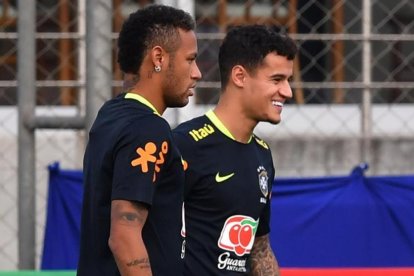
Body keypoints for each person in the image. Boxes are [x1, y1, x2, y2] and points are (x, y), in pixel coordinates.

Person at [77, 4, 201, 276]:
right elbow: (124, 237)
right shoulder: (148, 128)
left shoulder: (111, 115)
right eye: (190, 60)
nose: (197, 73)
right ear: (159, 57)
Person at [173, 25, 297, 275]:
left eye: (288, 80)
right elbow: (136, 233)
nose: (287, 92)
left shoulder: (262, 155)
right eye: (277, 80)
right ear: (239, 76)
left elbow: (259, 248)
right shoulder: (184, 144)